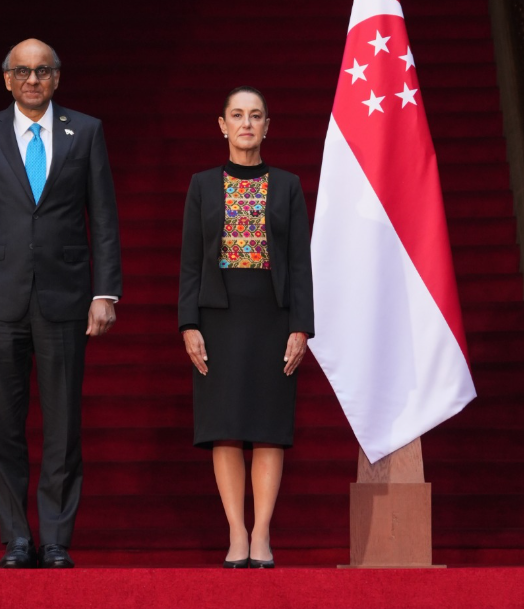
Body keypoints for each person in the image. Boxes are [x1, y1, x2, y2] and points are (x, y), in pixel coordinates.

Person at [0, 39, 122, 569]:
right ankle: (17, 539)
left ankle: (56, 539)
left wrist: (104, 292)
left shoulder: (85, 131)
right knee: (5, 424)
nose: (32, 79)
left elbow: (103, 219)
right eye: (21, 71)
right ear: (6, 79)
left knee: (63, 426)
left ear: (56, 78)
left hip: (65, 297)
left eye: (42, 71)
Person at [178, 86, 314, 569]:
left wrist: (301, 326)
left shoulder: (288, 185)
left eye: (255, 116)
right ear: (223, 125)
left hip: (273, 319)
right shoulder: (201, 185)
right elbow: (190, 262)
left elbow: (300, 263)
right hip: (218, 318)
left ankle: (262, 534)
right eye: (237, 115)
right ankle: (237, 531)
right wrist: (188, 323)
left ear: (267, 126)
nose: (246, 124)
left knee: (268, 429)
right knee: (226, 430)